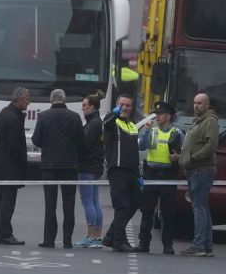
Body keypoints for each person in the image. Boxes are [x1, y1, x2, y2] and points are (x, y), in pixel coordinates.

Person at [32, 88, 85, 249]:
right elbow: (81, 141)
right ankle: (67, 240)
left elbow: (36, 140)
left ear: (51, 100)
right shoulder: (74, 117)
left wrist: (48, 146)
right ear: (64, 99)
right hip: (69, 166)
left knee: (51, 204)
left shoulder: (43, 116)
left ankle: (49, 239)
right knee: (69, 204)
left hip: (49, 166)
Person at [137, 101, 184, 254]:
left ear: (168, 116)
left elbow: (183, 153)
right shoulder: (153, 131)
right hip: (151, 174)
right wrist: (145, 131)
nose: (157, 116)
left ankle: (167, 244)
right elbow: (142, 146)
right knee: (147, 210)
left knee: (168, 212)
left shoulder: (177, 133)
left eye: (161, 114)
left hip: (168, 175)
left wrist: (178, 157)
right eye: (156, 114)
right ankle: (144, 243)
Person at [179, 92, 219, 257]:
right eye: (195, 103)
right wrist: (181, 157)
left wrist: (192, 158)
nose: (196, 106)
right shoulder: (198, 122)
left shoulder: (209, 121)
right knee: (203, 207)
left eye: (200, 103)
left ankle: (198, 245)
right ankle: (206, 245)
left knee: (199, 208)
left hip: (200, 170)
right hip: (195, 169)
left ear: (207, 105)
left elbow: (211, 145)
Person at [101, 94, 141, 252]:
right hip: (117, 170)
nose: (125, 108)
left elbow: (134, 152)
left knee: (135, 203)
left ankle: (111, 235)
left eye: (128, 105)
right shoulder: (113, 122)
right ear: (117, 106)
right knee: (122, 207)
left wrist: (138, 175)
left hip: (132, 172)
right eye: (122, 105)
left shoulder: (132, 125)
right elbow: (106, 122)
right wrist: (114, 112)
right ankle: (118, 241)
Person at [0, 87, 30, 245]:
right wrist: (23, 164)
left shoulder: (4, 112)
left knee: (1, 199)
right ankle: (6, 233)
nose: (29, 102)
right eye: (27, 99)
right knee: (8, 201)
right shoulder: (14, 118)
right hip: (10, 166)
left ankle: (2, 232)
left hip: (1, 163)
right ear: (19, 100)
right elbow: (15, 146)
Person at [74, 90, 105, 248]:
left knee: (87, 201)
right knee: (94, 201)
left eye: (84, 106)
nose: (82, 109)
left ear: (92, 107)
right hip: (95, 165)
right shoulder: (97, 122)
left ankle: (91, 236)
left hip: (87, 166)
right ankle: (97, 236)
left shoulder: (92, 124)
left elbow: (84, 144)